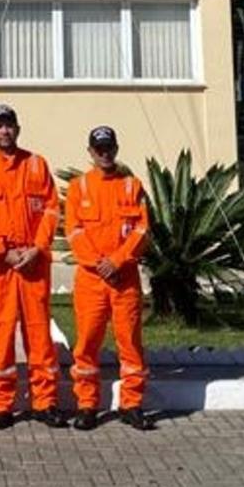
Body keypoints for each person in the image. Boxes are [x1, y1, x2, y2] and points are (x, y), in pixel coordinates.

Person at [0, 104, 68, 430]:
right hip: (1, 268)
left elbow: (51, 210)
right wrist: (1, 251)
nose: (4, 131)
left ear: (17, 129)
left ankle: (45, 402)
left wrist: (37, 248)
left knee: (39, 336)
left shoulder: (37, 165)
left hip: (34, 265)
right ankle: (2, 405)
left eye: (9, 125)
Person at [64, 126, 153, 431]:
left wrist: (117, 261)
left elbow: (142, 230)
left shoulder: (133, 186)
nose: (104, 154)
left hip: (124, 278)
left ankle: (132, 404)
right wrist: (98, 263)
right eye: (98, 149)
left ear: (116, 149)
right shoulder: (79, 188)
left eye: (109, 148)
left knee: (130, 344)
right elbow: (73, 231)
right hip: (91, 280)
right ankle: (87, 405)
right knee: (87, 344)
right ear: (90, 152)